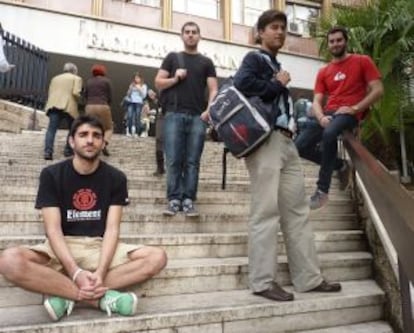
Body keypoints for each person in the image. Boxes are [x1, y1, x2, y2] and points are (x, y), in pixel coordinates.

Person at [0, 115, 167, 321]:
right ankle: (95, 298)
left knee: (156, 257)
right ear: (72, 141)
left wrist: (100, 270)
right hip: (60, 245)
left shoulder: (116, 178)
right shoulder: (51, 174)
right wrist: (76, 272)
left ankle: (66, 293)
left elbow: (112, 229)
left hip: (99, 246)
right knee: (9, 261)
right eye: (83, 135)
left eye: (96, 135)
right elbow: (53, 230)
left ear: (103, 142)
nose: (90, 140)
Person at [232, 9, 341, 302]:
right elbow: (240, 84)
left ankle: (308, 278)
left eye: (283, 27)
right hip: (265, 141)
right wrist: (277, 84)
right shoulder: (254, 58)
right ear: (261, 33)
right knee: (265, 211)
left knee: (297, 212)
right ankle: (262, 281)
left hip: (287, 142)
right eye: (274, 27)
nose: (280, 32)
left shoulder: (274, 62)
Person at [294, 26, 383, 210]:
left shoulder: (362, 61)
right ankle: (340, 165)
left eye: (339, 40)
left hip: (349, 113)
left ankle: (322, 190)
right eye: (332, 41)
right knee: (299, 146)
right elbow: (317, 100)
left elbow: (378, 89)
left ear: (346, 41)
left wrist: (355, 108)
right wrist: (320, 117)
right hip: (328, 113)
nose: (335, 44)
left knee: (330, 133)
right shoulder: (324, 71)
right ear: (328, 45)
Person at [154, 21, 218, 217]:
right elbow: (158, 83)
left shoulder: (206, 62)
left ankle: (188, 199)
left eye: (194, 32)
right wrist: (175, 78)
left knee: (192, 161)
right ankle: (174, 199)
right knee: (173, 159)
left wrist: (208, 111)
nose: (190, 35)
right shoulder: (173, 58)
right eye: (187, 32)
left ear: (199, 36)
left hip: (198, 116)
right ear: (182, 36)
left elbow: (214, 88)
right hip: (173, 114)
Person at [43, 62, 83, 160]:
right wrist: (81, 102)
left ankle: (48, 152)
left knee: (51, 129)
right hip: (68, 105)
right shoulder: (76, 78)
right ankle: (68, 150)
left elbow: (50, 92)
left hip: (54, 105)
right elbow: (76, 93)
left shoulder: (55, 78)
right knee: (73, 128)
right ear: (74, 71)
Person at [84, 64, 113, 157]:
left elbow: (85, 95)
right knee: (108, 128)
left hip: (90, 106)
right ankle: (104, 144)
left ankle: (89, 146)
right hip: (103, 105)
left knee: (90, 127)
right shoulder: (107, 81)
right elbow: (110, 96)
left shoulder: (89, 81)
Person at [145, 89, 165, 176]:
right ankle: (160, 167)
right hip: (162, 115)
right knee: (159, 139)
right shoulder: (160, 93)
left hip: (174, 114)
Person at [125, 72, 147, 137]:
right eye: (135, 78)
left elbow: (144, 96)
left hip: (139, 103)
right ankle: (129, 131)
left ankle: (137, 132)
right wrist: (130, 89)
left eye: (137, 78)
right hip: (131, 102)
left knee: (137, 117)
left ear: (140, 79)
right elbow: (128, 95)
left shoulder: (144, 85)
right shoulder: (132, 85)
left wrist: (139, 88)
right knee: (130, 116)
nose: (136, 79)